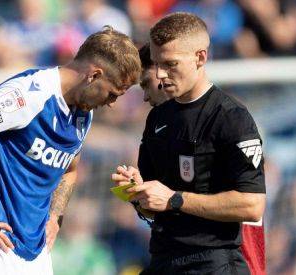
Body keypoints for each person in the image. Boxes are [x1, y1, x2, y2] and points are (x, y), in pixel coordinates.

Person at [0, 26, 141, 275]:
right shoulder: (29, 93)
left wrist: (55, 217)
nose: (111, 103)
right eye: (112, 93)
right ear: (94, 75)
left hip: (34, 251)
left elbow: (70, 169)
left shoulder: (82, 115)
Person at [112, 12, 266, 274]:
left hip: (212, 262)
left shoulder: (231, 118)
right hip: (162, 258)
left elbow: (251, 205)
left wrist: (175, 199)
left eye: (170, 64)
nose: (160, 74)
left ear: (200, 58)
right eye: (158, 64)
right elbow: (154, 209)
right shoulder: (158, 117)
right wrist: (139, 194)